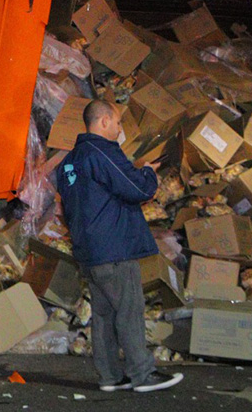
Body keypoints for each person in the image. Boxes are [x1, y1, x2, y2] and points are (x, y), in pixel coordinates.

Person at [55, 99, 183, 393]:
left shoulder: (68, 162)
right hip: (114, 248)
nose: (119, 128)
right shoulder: (103, 151)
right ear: (103, 122)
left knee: (103, 314)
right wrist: (149, 171)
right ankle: (143, 374)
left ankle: (110, 376)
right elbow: (137, 188)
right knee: (129, 310)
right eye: (117, 122)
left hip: (89, 252)